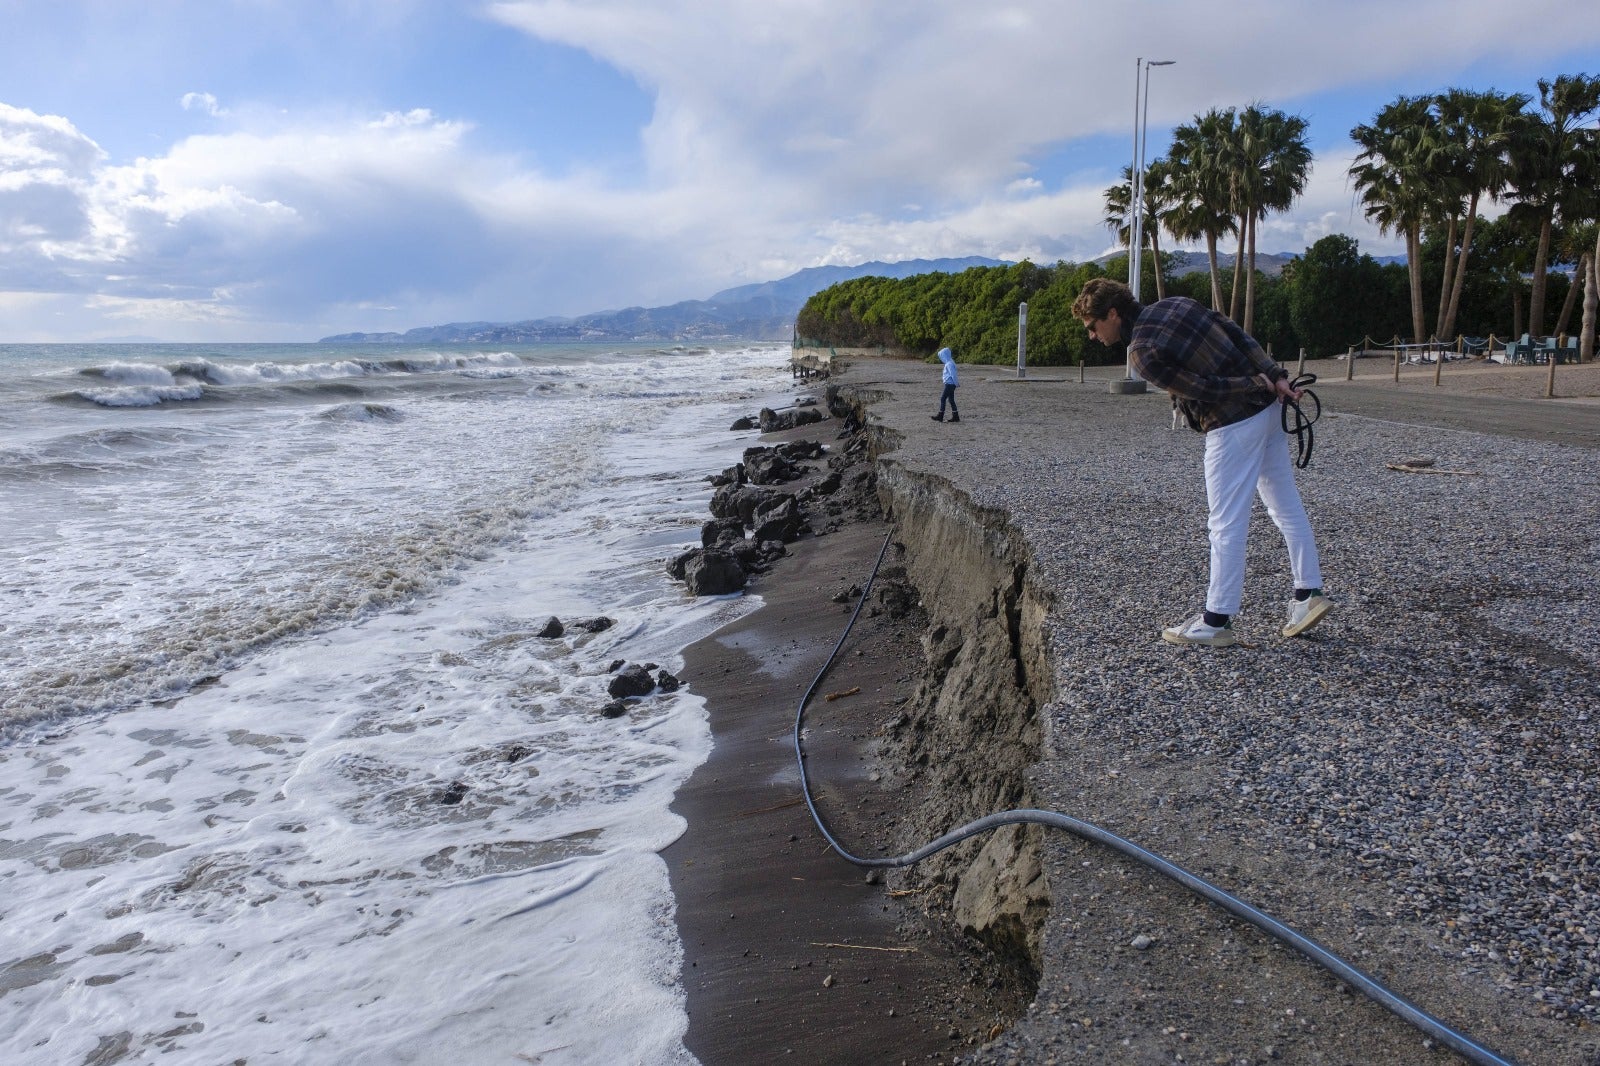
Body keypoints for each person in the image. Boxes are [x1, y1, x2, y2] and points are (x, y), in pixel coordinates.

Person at [1071, 278, 1331, 647]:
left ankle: (1216, 621)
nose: (1093, 337)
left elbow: (1201, 389)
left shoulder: (1141, 352)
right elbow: (1237, 334)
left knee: (1224, 524)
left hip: (1233, 425)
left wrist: (1255, 382)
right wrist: (1276, 377)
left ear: (1112, 314)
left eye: (1093, 327)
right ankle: (1308, 594)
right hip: (1270, 411)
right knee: (1284, 506)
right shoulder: (1176, 303)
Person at [931, 346, 960, 423]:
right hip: (951, 384)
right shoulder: (950, 362)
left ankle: (940, 415)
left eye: (942, 356)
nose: (941, 358)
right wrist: (956, 383)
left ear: (945, 355)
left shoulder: (949, 364)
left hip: (950, 384)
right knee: (951, 400)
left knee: (943, 398)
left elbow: (953, 374)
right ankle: (955, 416)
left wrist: (956, 383)